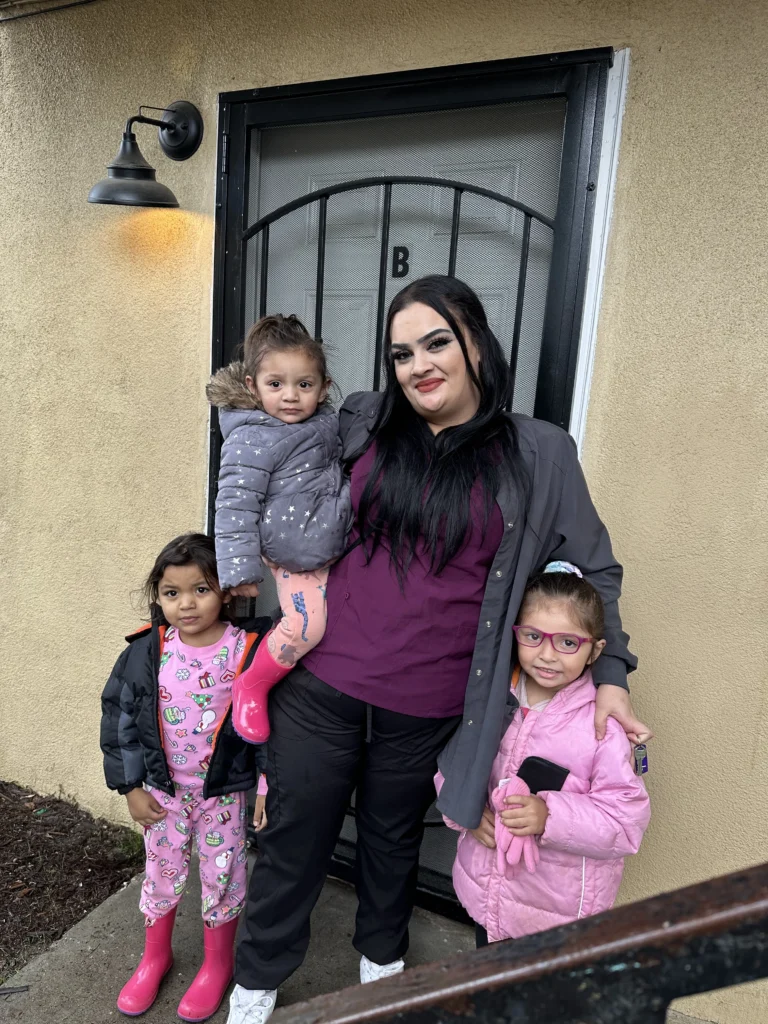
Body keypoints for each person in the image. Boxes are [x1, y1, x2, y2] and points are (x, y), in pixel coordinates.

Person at [225, 276, 652, 1024]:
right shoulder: (359, 424)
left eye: (435, 343)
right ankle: (255, 984)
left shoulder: (539, 453)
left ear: (476, 344)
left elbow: (595, 572)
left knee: (392, 843)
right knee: (294, 840)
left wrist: (611, 671)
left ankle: (382, 971)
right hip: (321, 686)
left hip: (428, 706)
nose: (417, 364)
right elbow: (263, 439)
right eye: (400, 353)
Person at [100, 533, 272, 1021]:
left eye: (201, 589)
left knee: (222, 877)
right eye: (172, 593)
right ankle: (156, 956)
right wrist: (130, 787)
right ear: (158, 596)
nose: (187, 604)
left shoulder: (250, 649)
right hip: (162, 793)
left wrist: (263, 784)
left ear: (226, 591)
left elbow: (268, 723)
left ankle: (217, 965)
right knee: (161, 875)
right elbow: (120, 720)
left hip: (225, 795)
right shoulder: (145, 652)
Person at [436, 561, 650, 946]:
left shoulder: (601, 727)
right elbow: (452, 768)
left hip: (556, 917)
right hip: (486, 896)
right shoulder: (494, 701)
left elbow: (624, 822)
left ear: (594, 650)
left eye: (568, 643)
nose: (548, 655)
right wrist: (465, 812)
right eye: (533, 636)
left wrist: (549, 816)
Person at [206, 314, 351, 744]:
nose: (291, 396)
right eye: (276, 385)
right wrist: (239, 571)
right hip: (296, 552)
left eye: (304, 385)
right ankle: (254, 682)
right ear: (253, 386)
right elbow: (234, 504)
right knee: (306, 627)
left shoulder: (324, 423)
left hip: (335, 540)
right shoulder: (251, 437)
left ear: (323, 388)